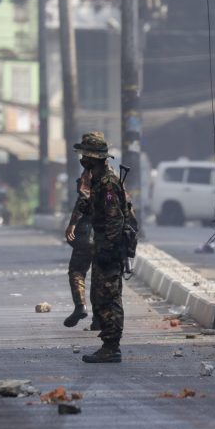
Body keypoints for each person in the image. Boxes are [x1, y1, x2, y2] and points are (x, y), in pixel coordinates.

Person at [75, 131, 126, 364]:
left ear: (94, 157)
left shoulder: (107, 183)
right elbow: (93, 211)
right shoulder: (96, 180)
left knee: (109, 297)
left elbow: (115, 218)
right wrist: (85, 196)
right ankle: (108, 344)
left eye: (85, 155)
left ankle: (111, 346)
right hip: (102, 245)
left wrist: (109, 249)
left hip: (109, 247)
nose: (82, 159)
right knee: (99, 296)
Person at [63, 169, 95, 328]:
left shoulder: (89, 173)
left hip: (89, 231)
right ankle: (100, 319)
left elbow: (83, 199)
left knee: (76, 270)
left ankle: (80, 305)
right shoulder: (113, 177)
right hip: (109, 233)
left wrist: (73, 223)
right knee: (101, 277)